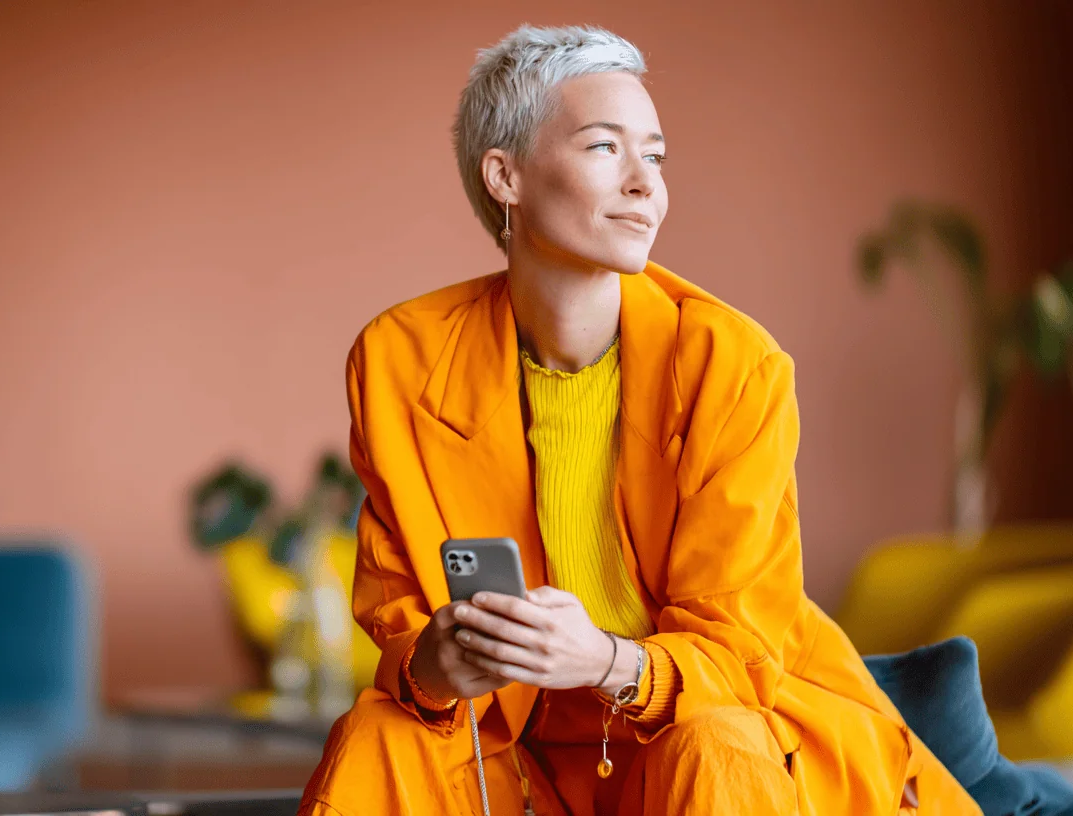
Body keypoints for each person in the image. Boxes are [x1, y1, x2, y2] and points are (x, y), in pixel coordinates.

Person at [298, 24, 980, 816]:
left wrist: (602, 658)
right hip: (527, 761)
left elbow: (737, 650)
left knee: (712, 742)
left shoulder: (735, 364)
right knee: (383, 733)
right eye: (604, 149)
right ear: (504, 176)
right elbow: (397, 621)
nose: (644, 184)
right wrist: (434, 666)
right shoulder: (399, 359)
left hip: (716, 736)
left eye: (653, 156)